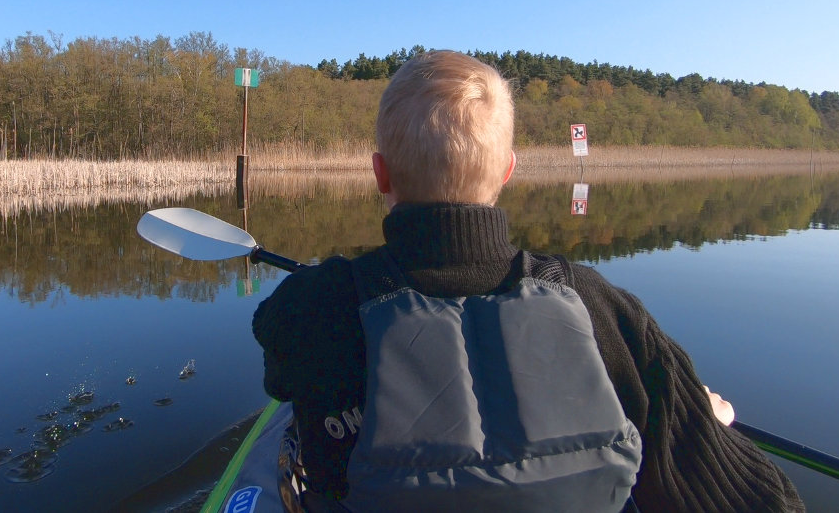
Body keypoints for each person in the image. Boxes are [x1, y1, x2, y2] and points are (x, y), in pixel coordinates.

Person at [253, 50, 804, 511]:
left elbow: (279, 370)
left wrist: (326, 287)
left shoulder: (310, 306)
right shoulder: (598, 306)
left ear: (380, 173)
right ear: (509, 171)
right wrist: (701, 418)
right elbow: (767, 502)